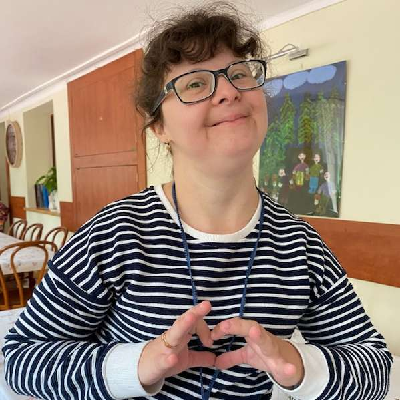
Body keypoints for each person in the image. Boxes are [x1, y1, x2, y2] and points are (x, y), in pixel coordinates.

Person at [2, 3, 392, 400]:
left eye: (239, 74)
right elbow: (19, 358)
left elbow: (376, 365)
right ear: (159, 126)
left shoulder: (300, 245)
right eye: (194, 84)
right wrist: (138, 364)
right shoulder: (115, 233)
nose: (229, 91)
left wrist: (297, 364)